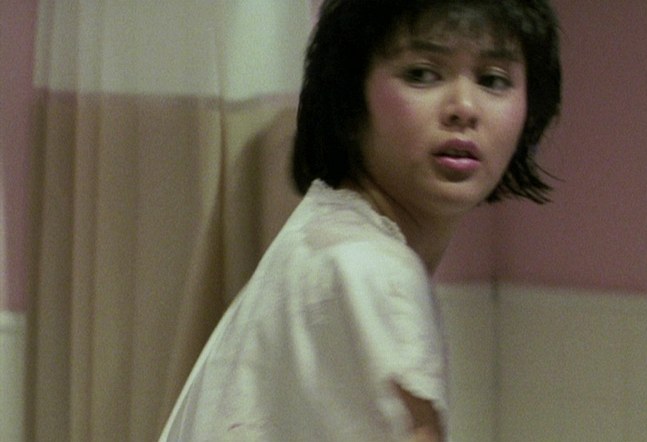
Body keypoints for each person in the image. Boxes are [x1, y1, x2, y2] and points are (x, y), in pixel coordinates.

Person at [159, 0, 560, 440]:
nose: (464, 107)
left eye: (493, 80)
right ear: (350, 98)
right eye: (422, 74)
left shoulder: (327, 238)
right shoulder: (368, 267)